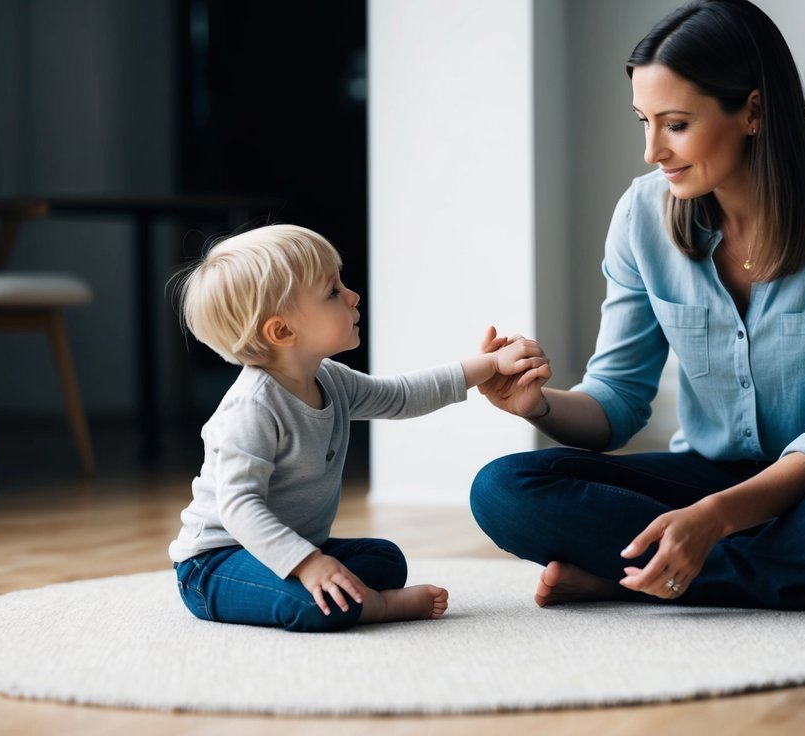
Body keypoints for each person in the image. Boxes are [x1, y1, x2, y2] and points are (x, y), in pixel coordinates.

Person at [470, 0, 805, 618]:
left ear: (752, 110)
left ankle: (650, 576)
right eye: (642, 121)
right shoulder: (641, 215)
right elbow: (615, 402)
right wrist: (538, 404)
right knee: (505, 488)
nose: (652, 151)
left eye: (675, 124)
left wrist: (716, 520)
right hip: (706, 476)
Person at [168, 223, 549, 632]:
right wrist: (310, 564)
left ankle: (354, 596)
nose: (352, 296)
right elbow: (240, 509)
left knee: (385, 559)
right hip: (218, 560)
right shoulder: (251, 409)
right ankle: (377, 607)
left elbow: (402, 395)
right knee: (313, 604)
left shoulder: (330, 379)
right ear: (282, 331)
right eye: (332, 292)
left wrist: (488, 366)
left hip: (298, 547)